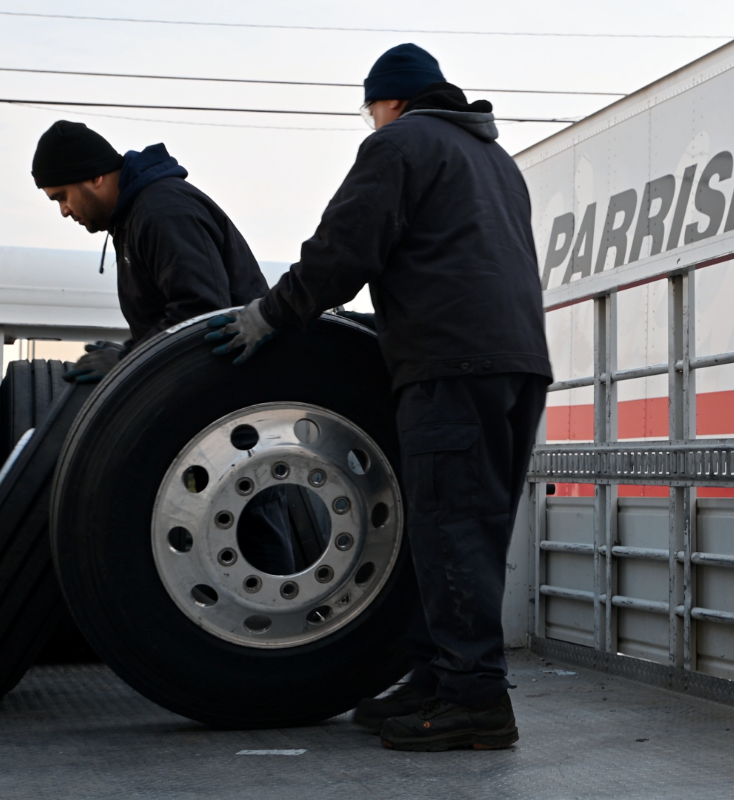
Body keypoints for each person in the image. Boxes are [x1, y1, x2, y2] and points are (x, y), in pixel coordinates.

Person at [208, 43, 552, 752]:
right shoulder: (494, 160)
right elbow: (458, 259)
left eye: (370, 110)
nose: (370, 123)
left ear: (390, 101)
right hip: (516, 361)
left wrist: (274, 314)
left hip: (449, 364)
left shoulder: (400, 144)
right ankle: (436, 675)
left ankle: (475, 699)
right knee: (470, 526)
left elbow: (345, 247)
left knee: (448, 526)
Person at [32, 120, 295, 572]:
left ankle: (284, 631)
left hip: (238, 404)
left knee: (250, 525)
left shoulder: (162, 211)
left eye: (62, 197)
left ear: (95, 178)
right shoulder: (136, 217)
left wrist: (124, 361)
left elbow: (200, 316)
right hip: (210, 404)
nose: (63, 212)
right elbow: (168, 318)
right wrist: (129, 348)